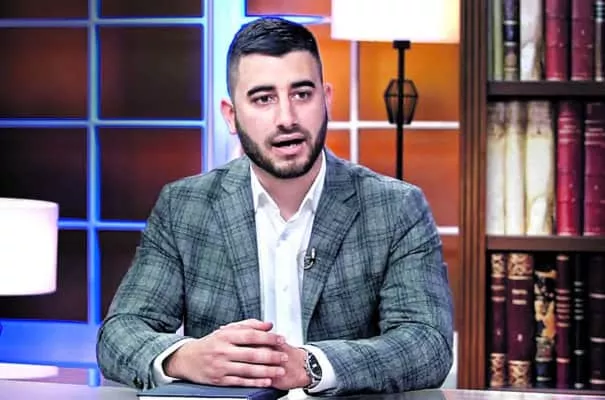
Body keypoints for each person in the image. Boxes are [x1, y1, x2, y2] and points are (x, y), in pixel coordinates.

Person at [96, 16, 454, 396]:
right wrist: (185, 358)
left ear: (326, 99)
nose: (287, 119)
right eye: (263, 99)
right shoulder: (184, 207)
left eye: (302, 94)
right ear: (231, 116)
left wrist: (311, 365)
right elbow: (118, 334)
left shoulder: (395, 207)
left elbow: (427, 344)